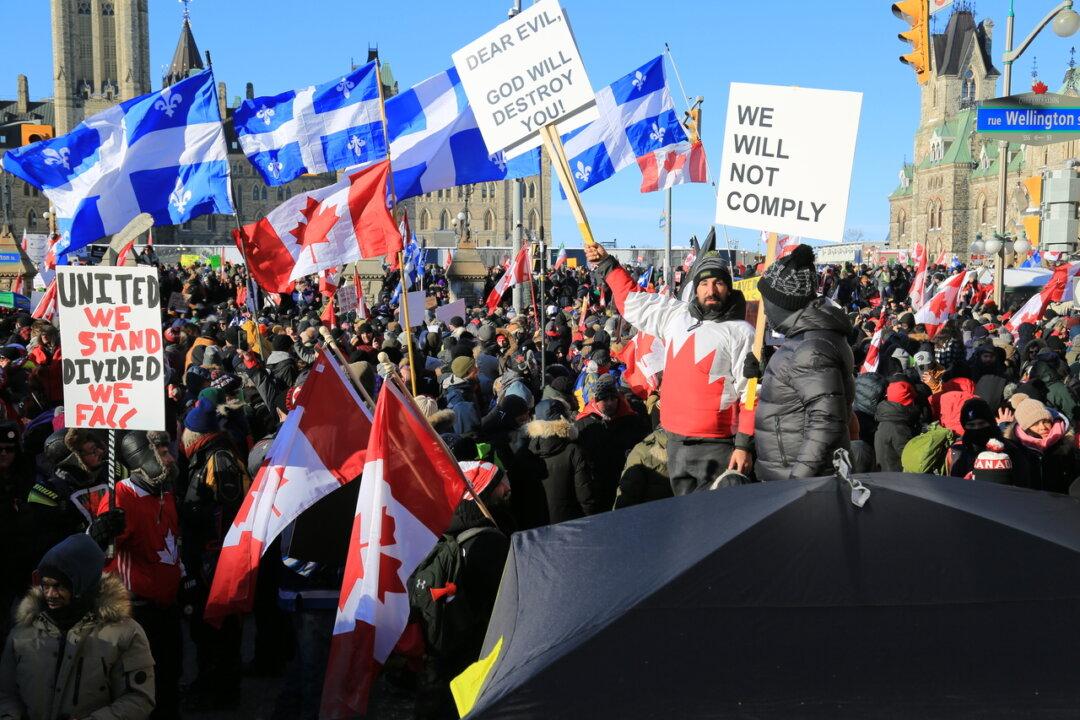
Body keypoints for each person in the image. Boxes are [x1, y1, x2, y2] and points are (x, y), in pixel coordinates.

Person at [585, 243, 756, 494]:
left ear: (728, 288)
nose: (711, 290)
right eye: (704, 284)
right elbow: (633, 301)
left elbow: (751, 394)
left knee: (715, 521)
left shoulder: (742, 332)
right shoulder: (675, 315)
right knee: (685, 517)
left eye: (718, 283)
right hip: (675, 441)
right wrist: (608, 265)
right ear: (695, 288)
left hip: (718, 445)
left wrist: (744, 445)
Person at [0, 533, 156, 720]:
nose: (50, 594)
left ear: (82, 586)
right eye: (45, 585)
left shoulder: (125, 635)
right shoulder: (22, 633)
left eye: (59, 586)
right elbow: (6, 694)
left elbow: (139, 698)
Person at [91, 431, 183, 720]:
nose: (169, 460)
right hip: (141, 612)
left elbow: (171, 542)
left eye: (169, 452)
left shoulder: (164, 493)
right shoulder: (122, 497)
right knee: (144, 689)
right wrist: (100, 532)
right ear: (142, 458)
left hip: (170, 608)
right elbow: (103, 555)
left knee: (171, 677)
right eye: (162, 453)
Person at [752, 245, 855, 480]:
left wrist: (797, 481)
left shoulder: (811, 348)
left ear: (783, 303)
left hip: (799, 481)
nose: (765, 312)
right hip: (788, 472)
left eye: (767, 303)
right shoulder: (807, 339)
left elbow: (826, 421)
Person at [513, 398, 594, 525]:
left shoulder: (524, 453)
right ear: (564, 421)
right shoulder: (574, 451)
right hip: (570, 525)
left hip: (535, 528)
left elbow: (518, 496)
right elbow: (586, 496)